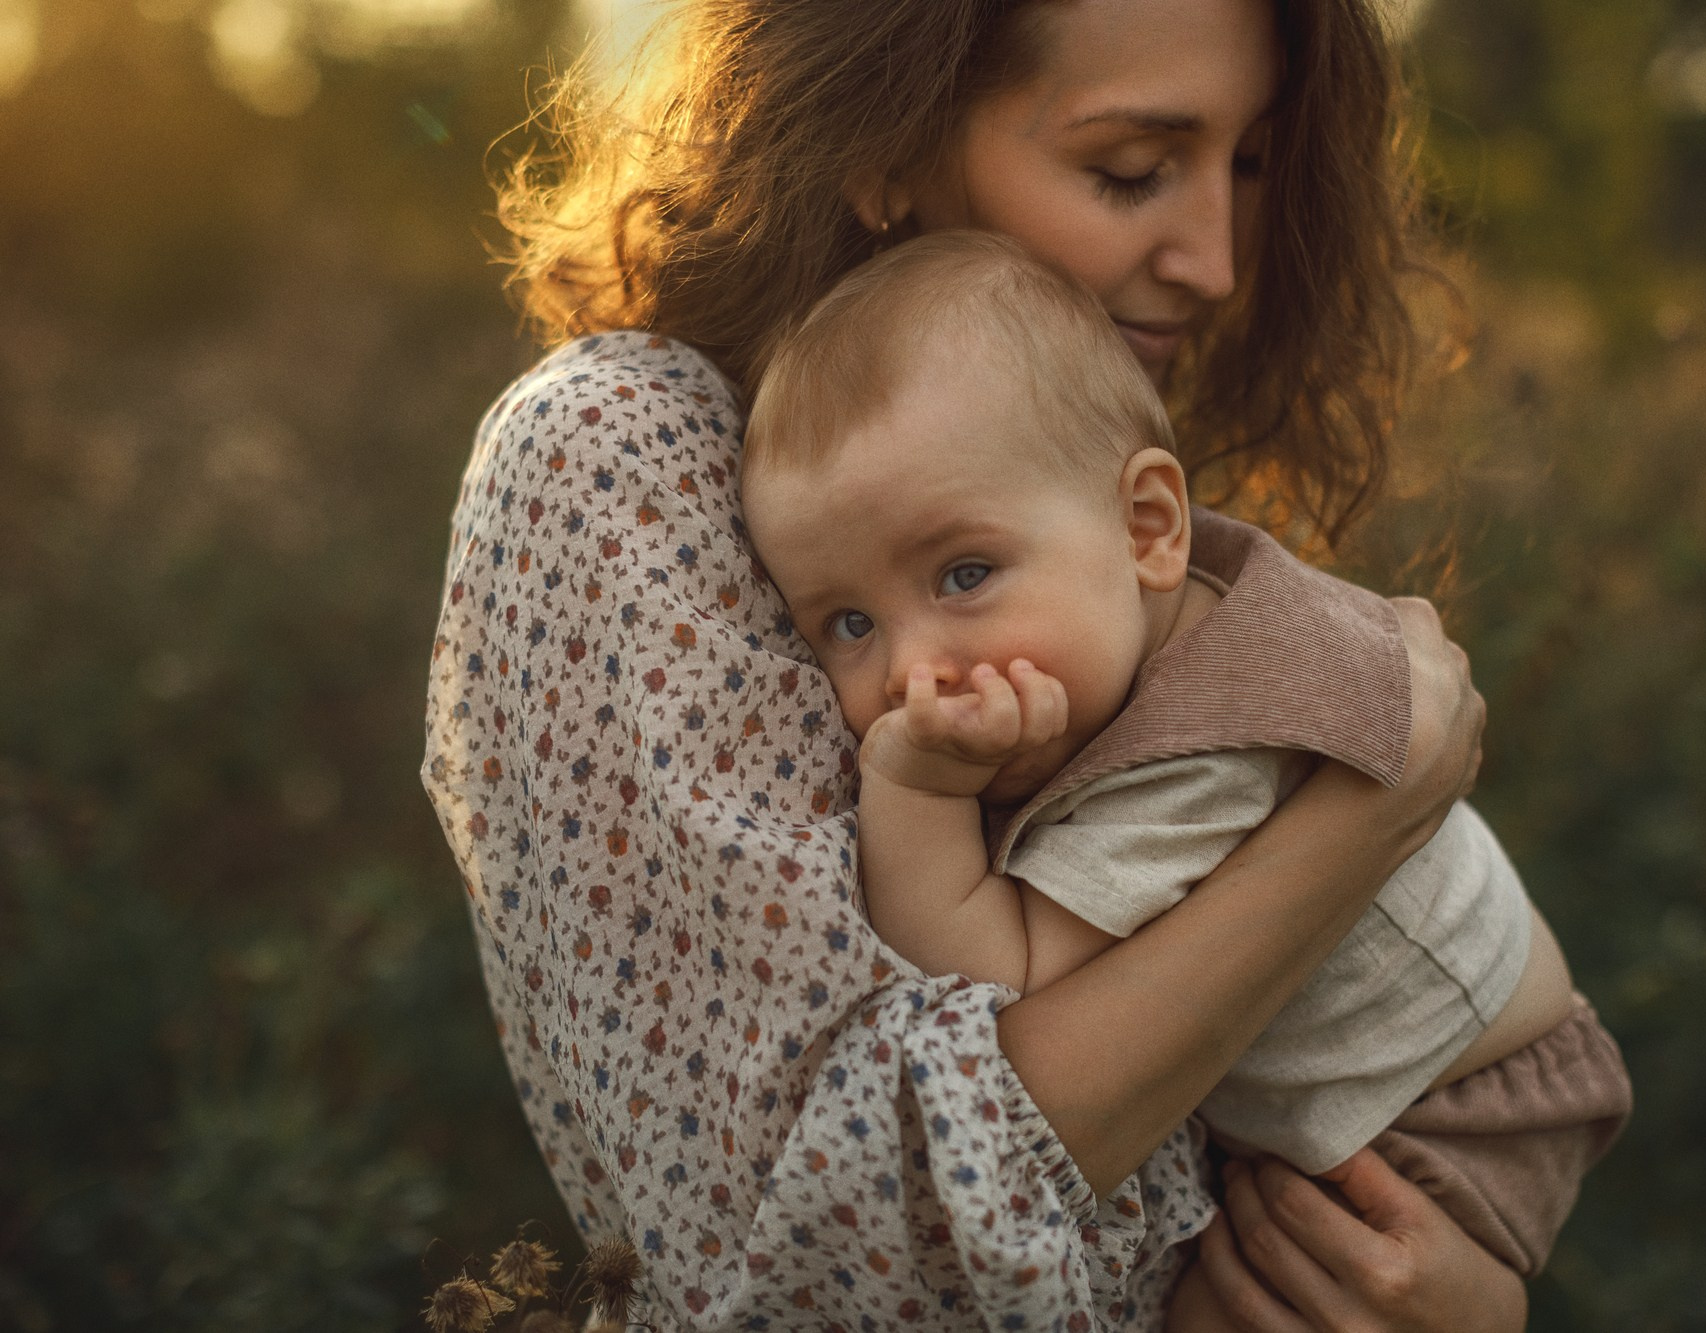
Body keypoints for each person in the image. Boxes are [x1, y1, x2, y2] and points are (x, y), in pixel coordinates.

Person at [425, 0, 1604, 1326]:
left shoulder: (1052, 464)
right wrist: (1358, 826)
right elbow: (839, 1239)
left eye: (1253, 164)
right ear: (882, 141)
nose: (1216, 258)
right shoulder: (618, 454)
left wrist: (1459, 1299)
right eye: (1129, 170)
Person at [739, 229, 1627, 1291]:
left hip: (1451, 1116)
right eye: (845, 625)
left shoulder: (1203, 748)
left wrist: (912, 787)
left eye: (964, 573)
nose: (910, 671)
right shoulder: (1153, 621)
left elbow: (988, 988)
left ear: (1147, 526)